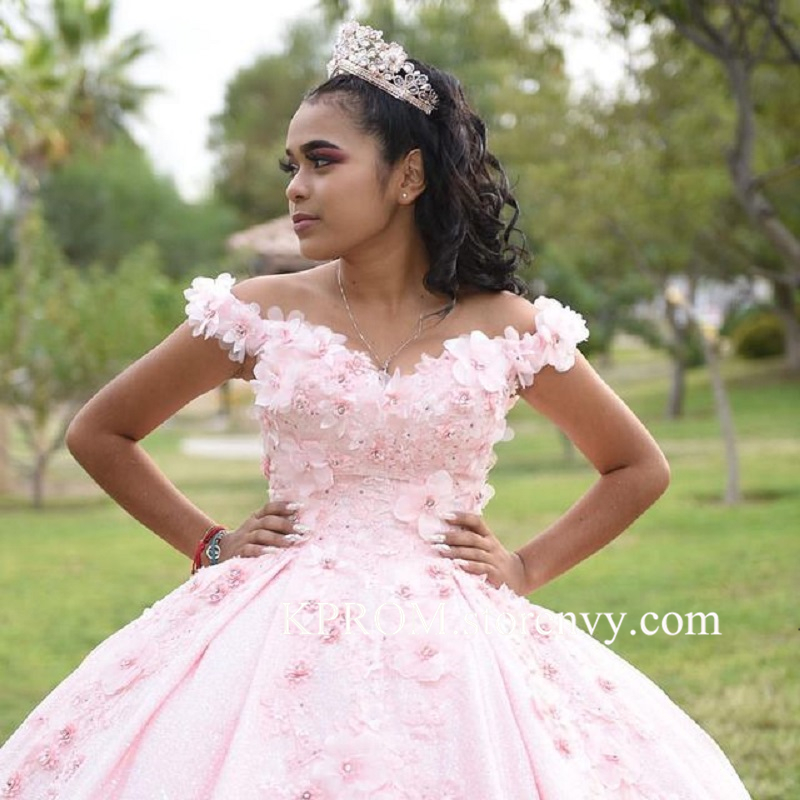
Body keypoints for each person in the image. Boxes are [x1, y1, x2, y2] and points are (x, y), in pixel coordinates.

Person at [0, 20, 752, 800]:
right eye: (291, 165)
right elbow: (101, 432)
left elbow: (636, 466)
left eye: (322, 161)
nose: (296, 187)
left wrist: (526, 568)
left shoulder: (507, 326)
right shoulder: (258, 311)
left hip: (455, 645)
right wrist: (211, 543)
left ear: (408, 176)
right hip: (273, 629)